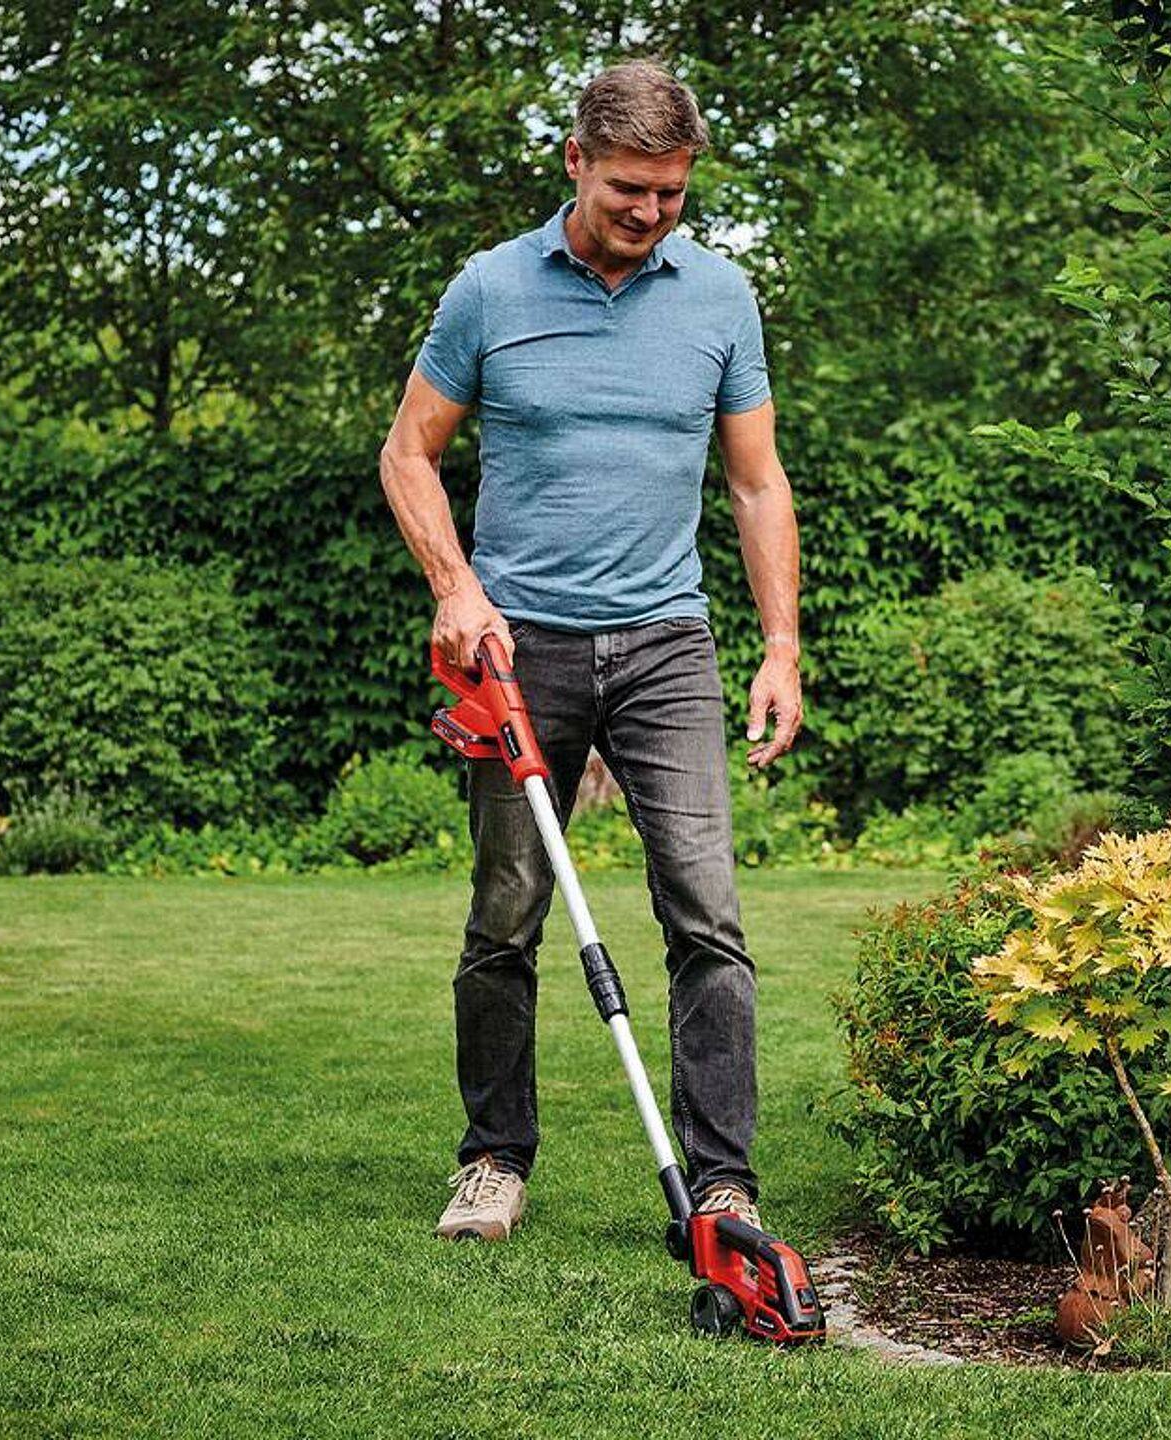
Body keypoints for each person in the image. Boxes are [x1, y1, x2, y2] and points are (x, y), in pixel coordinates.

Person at [378, 61, 801, 1243]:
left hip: (668, 644)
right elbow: (407, 453)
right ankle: (495, 1159)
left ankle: (724, 1182)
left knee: (707, 915)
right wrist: (457, 589)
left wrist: (781, 648)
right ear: (575, 162)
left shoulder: (720, 299)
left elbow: (757, 483)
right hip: (522, 651)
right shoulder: (490, 290)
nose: (652, 213)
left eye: (671, 193)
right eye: (629, 190)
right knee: (504, 914)